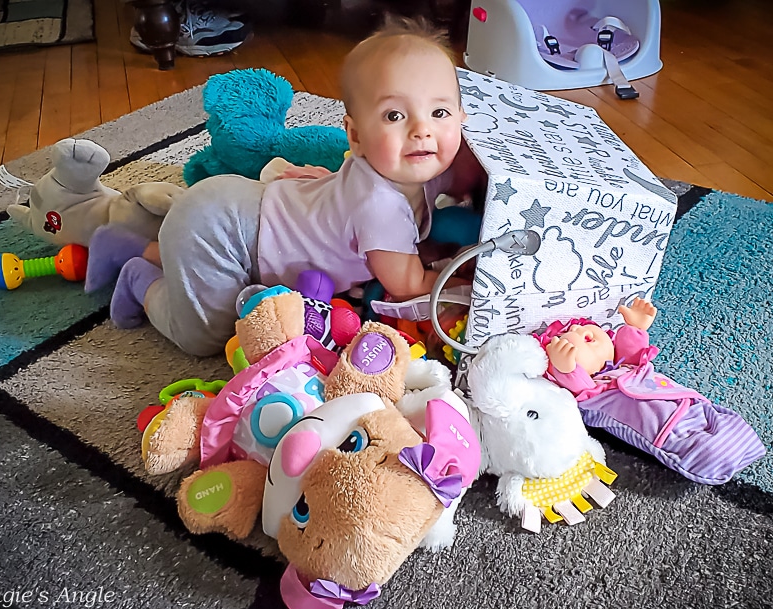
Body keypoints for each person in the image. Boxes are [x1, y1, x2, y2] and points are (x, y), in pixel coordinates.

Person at [84, 16, 483, 357]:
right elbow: (408, 284)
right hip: (228, 231)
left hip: (245, 209)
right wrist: (471, 288)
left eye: (439, 112)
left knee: (203, 272)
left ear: (461, 118)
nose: (422, 131)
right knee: (205, 334)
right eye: (395, 115)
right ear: (356, 136)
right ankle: (138, 274)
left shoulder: (419, 161)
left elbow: (464, 172)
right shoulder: (380, 206)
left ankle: (128, 243)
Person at [536, 298, 765, 485]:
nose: (577, 328)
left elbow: (634, 355)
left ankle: (743, 443)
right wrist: (566, 369)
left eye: (583, 326)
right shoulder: (595, 394)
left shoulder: (627, 365)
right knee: (706, 453)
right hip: (668, 430)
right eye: (568, 337)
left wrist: (634, 328)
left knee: (728, 424)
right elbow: (579, 391)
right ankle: (717, 460)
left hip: (690, 405)